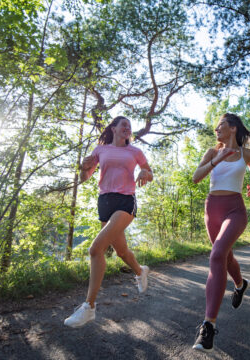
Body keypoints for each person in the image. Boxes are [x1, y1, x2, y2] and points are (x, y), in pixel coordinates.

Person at [64, 116, 153, 328]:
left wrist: (144, 173)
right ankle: (141, 271)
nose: (127, 128)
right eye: (124, 125)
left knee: (96, 249)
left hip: (125, 201)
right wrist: (83, 168)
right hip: (104, 201)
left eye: (130, 126)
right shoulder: (100, 150)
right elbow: (84, 178)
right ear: (113, 128)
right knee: (122, 252)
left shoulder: (135, 152)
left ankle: (89, 307)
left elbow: (149, 173)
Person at [191, 113, 250, 352]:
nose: (216, 130)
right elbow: (196, 178)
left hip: (235, 210)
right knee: (225, 256)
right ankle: (240, 284)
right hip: (213, 209)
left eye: (219, 126)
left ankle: (208, 326)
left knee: (217, 255)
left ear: (232, 128)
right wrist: (216, 160)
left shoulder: (247, 154)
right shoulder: (212, 152)